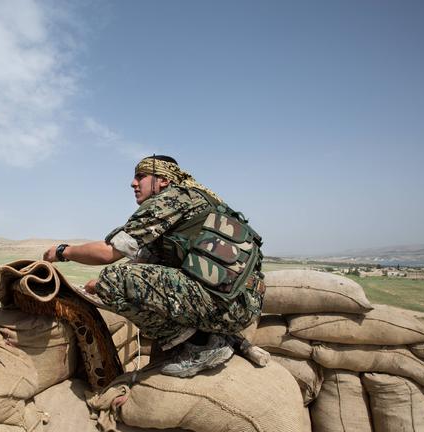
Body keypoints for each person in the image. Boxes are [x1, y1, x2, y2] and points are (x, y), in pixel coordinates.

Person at [43, 155, 268, 377]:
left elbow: (108, 253)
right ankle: (223, 337)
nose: (133, 183)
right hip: (239, 302)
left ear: (163, 180)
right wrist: (97, 287)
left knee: (114, 278)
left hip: (224, 303)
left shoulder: (172, 199)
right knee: (113, 282)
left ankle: (202, 346)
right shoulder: (202, 202)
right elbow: (145, 261)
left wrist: (63, 252)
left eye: (141, 176)